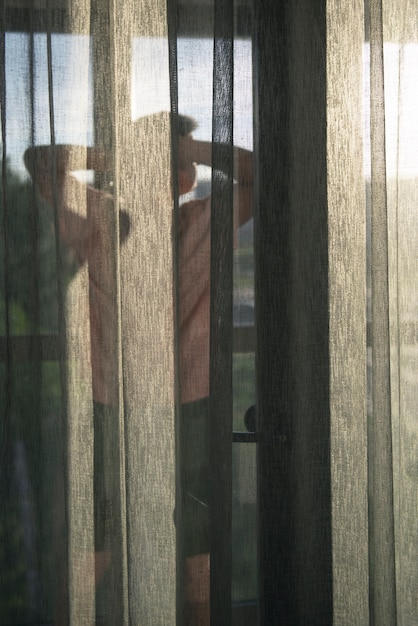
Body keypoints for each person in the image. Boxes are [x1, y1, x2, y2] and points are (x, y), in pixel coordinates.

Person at [25, 113, 253, 625]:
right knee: (94, 546)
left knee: (198, 551)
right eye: (177, 154)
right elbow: (38, 161)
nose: (185, 165)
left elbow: (261, 174)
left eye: (186, 155)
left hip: (188, 402)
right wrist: (122, 157)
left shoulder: (203, 219)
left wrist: (186, 152)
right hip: (119, 406)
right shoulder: (103, 217)